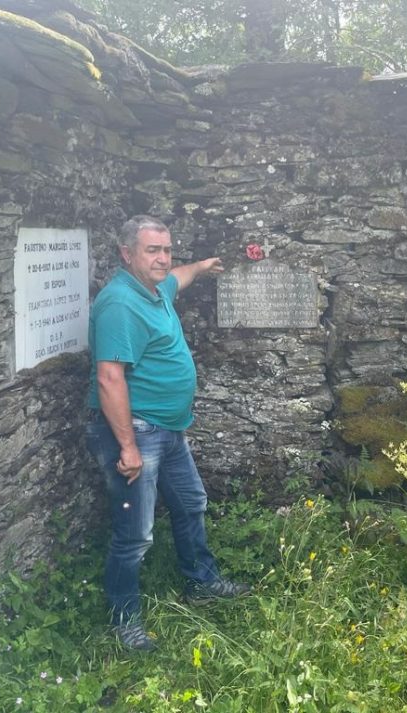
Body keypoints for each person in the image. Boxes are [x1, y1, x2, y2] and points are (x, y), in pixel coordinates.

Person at [85, 215, 249, 651]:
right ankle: (126, 621)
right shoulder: (120, 303)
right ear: (127, 254)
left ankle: (201, 581)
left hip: (169, 430)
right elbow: (109, 378)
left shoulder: (155, 289)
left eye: (166, 249)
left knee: (191, 502)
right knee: (135, 533)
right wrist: (128, 447)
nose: (162, 258)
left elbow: (178, 276)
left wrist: (202, 265)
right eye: (151, 250)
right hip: (137, 432)